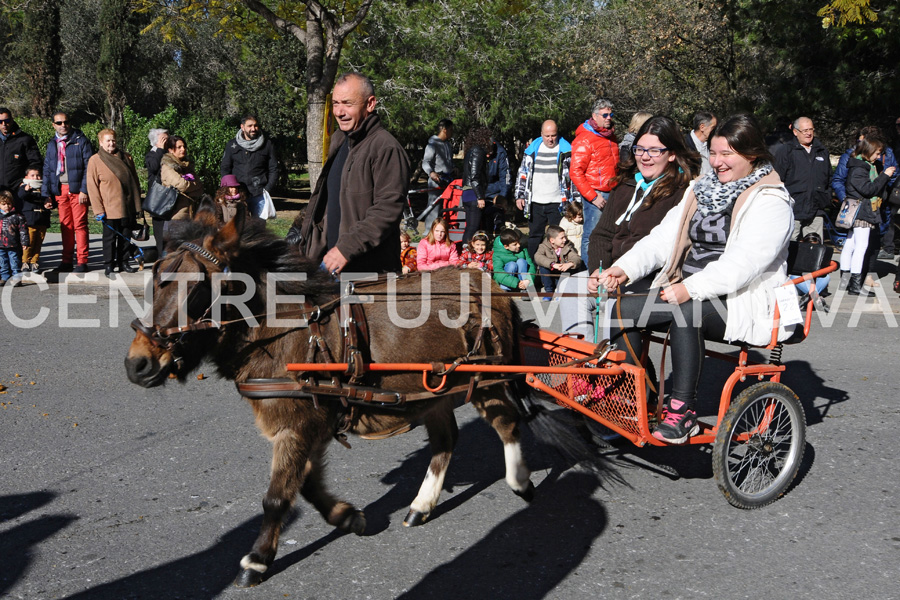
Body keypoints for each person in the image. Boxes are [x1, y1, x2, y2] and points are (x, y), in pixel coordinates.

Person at [593, 114, 795, 444]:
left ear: (752, 156)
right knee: (623, 306)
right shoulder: (700, 189)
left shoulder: (771, 200)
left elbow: (745, 262)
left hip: (743, 300)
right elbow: (663, 238)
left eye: (727, 154)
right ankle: (633, 398)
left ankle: (682, 411)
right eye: (713, 153)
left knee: (688, 310)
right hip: (688, 289)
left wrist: (691, 288)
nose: (717, 162)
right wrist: (624, 268)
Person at [560, 115, 700, 341]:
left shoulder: (682, 192)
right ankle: (583, 362)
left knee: (615, 305)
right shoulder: (625, 184)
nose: (645, 157)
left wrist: (619, 273)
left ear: (672, 154)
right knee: (570, 286)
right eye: (640, 149)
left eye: (655, 151)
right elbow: (601, 235)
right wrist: (597, 270)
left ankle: (609, 365)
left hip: (649, 279)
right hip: (610, 272)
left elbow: (656, 247)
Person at [291, 72, 410, 275]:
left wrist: (346, 249)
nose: (339, 111)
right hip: (330, 265)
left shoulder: (386, 148)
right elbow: (329, 203)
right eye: (336, 103)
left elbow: (387, 210)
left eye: (347, 103)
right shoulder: (339, 140)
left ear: (370, 104)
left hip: (369, 274)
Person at [838, 134, 895, 297]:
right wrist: (885, 176)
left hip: (857, 210)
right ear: (868, 151)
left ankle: (846, 282)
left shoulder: (862, 166)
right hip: (862, 211)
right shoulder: (859, 168)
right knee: (860, 246)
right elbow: (869, 190)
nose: (879, 157)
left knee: (850, 244)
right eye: (877, 153)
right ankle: (855, 285)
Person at [513, 119, 576, 262]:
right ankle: (533, 269)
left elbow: (572, 178)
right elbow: (522, 173)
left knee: (559, 238)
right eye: (547, 136)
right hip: (535, 201)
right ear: (541, 134)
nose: (550, 139)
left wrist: (574, 201)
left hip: (558, 202)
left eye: (553, 135)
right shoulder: (532, 150)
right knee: (534, 235)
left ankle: (558, 270)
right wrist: (520, 195)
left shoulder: (566, 151)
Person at [42, 111, 94, 272]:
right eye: (59, 123)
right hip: (59, 190)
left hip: (77, 190)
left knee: (80, 225)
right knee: (66, 226)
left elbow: (89, 167)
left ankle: (81, 261)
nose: (63, 125)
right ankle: (66, 261)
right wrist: (46, 194)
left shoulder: (81, 141)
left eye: (66, 122)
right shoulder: (52, 144)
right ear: (53, 125)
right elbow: (47, 169)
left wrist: (85, 190)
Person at [86, 129, 143, 276]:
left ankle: (123, 262)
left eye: (113, 140)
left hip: (127, 204)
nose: (111, 143)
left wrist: (137, 203)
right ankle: (109, 264)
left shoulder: (126, 158)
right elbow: (92, 186)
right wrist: (98, 209)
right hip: (108, 206)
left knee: (125, 236)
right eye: (108, 141)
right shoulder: (95, 160)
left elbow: (135, 182)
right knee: (109, 238)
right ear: (101, 143)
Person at [571, 98, 618, 262]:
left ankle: (604, 269)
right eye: (605, 114)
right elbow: (575, 172)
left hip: (612, 191)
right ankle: (588, 274)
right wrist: (592, 197)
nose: (609, 118)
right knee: (591, 235)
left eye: (611, 114)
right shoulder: (584, 139)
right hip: (596, 195)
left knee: (610, 234)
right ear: (594, 115)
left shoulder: (611, 137)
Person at [774, 116, 831, 241]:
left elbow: (828, 178)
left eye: (811, 129)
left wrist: (825, 198)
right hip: (793, 208)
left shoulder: (822, 151)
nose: (809, 133)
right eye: (805, 130)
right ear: (795, 132)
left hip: (816, 208)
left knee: (814, 248)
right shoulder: (786, 151)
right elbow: (777, 179)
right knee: (789, 245)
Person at [220, 113, 279, 219]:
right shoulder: (232, 145)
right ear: (242, 127)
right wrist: (229, 188)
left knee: (258, 228)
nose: (253, 129)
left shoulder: (267, 145)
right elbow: (225, 168)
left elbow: (273, 168)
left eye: (255, 125)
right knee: (239, 227)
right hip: (238, 194)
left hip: (259, 194)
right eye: (250, 126)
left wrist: (268, 188)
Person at [461, 127, 503, 244]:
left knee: (470, 227)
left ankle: (465, 253)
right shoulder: (478, 151)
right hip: (473, 194)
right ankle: (465, 255)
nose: (491, 142)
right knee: (473, 228)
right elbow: (475, 176)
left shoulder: (470, 151)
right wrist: (480, 197)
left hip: (468, 193)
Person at [420, 118, 455, 232]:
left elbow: (448, 162)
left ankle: (442, 233)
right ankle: (428, 233)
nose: (452, 132)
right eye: (451, 130)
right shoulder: (432, 145)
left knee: (446, 207)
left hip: (448, 181)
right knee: (434, 207)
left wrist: (454, 168)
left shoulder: (448, 145)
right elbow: (426, 162)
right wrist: (431, 173)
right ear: (444, 130)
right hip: (436, 182)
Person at [160, 135, 205, 222]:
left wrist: (190, 187)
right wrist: (193, 186)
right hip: (175, 215)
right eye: (179, 147)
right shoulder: (167, 167)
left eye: (184, 146)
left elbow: (200, 187)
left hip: (191, 214)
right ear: (170, 150)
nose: (183, 149)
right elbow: (182, 185)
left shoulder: (187, 167)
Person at [17, 168, 52, 273]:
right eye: (32, 175)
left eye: (38, 175)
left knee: (39, 242)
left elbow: (50, 200)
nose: (36, 178)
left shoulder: (44, 187)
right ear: (27, 177)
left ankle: (34, 261)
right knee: (29, 242)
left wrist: (49, 203)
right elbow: (21, 196)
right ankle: (25, 262)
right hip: (30, 220)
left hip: (42, 219)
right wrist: (26, 190)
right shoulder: (24, 187)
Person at [0, 107, 42, 194]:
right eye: (0, 122)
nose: (4, 124)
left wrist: (25, 182)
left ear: (12, 120)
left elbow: (35, 162)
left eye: (7, 121)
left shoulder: (25, 139)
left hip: (18, 190)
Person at [534, 225, 584, 295]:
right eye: (562, 238)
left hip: (562, 274)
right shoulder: (543, 246)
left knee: (571, 268)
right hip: (551, 274)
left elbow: (575, 257)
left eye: (565, 237)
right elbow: (538, 256)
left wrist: (570, 263)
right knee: (543, 266)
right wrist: (552, 264)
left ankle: (562, 288)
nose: (565, 240)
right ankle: (549, 291)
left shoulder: (568, 245)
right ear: (552, 240)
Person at [145, 128, 169, 256]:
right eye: (164, 139)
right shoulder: (152, 154)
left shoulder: (170, 153)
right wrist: (160, 148)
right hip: (158, 200)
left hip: (170, 199)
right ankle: (161, 259)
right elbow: (153, 167)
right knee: (160, 235)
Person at [0, 190, 29, 285]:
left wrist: (24, 242)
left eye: (8, 204)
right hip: (1, 245)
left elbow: (23, 231)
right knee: (3, 262)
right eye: (3, 204)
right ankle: (5, 277)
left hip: (13, 244)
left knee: (15, 262)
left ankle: (17, 278)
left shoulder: (18, 216)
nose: (6, 206)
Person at [683, 111, 717, 175]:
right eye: (713, 128)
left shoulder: (712, 143)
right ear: (702, 127)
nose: (715, 131)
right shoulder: (685, 146)